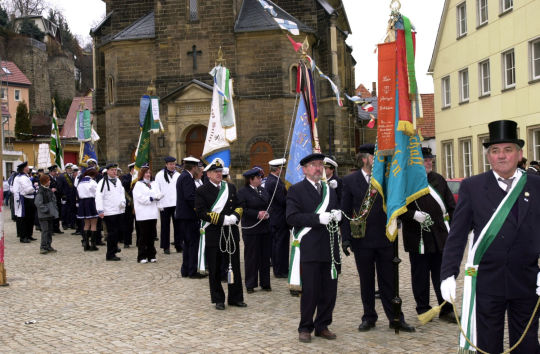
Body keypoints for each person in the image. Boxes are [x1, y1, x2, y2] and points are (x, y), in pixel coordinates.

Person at [441, 120, 540, 353]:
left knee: (527, 346)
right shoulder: (472, 186)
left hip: (526, 280)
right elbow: (457, 235)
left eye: (508, 149)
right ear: (488, 156)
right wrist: (448, 273)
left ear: (519, 154)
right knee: (487, 346)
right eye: (495, 151)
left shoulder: (536, 185)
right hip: (487, 282)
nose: (502, 156)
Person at [340, 144, 415, 333]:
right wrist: (346, 238)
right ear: (365, 159)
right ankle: (369, 317)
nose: (380, 161)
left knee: (389, 281)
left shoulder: (388, 180)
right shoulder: (349, 181)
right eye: (376, 157)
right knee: (366, 281)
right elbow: (345, 211)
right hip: (362, 240)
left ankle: (396, 318)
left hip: (385, 239)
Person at [286, 153, 341, 343]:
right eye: (313, 165)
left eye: (320, 165)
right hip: (309, 248)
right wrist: (317, 218)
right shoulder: (296, 190)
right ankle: (305, 327)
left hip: (330, 247)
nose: (318, 168)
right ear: (304, 169)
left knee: (329, 291)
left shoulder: (330, 190)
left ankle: (322, 325)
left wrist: (338, 216)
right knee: (310, 291)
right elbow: (291, 218)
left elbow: (336, 210)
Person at [399, 147, 456, 323]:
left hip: (439, 235)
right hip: (418, 236)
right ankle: (423, 309)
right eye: (425, 160)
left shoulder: (438, 179)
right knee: (420, 275)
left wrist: (454, 228)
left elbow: (451, 205)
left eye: (430, 159)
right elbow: (398, 207)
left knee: (442, 274)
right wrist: (412, 215)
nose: (429, 162)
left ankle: (446, 309)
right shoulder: (407, 183)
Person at [195, 158, 246, 310]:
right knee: (215, 267)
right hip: (214, 232)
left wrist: (235, 217)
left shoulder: (229, 187)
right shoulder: (201, 190)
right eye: (215, 172)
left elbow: (239, 205)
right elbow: (201, 213)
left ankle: (235, 298)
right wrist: (222, 219)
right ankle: (218, 299)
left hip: (230, 231)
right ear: (208, 174)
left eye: (220, 171)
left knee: (234, 266)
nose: (219, 174)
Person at [238, 167, 271, 293]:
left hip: (265, 229)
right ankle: (250, 284)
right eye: (258, 178)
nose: (260, 179)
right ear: (251, 180)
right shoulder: (242, 192)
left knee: (265, 257)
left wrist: (267, 213)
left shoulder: (263, 190)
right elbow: (243, 209)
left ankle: (265, 282)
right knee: (252, 257)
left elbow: (270, 204)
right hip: (251, 229)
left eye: (260, 177)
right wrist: (257, 214)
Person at [175, 156, 205, 278]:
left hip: (184, 216)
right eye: (197, 167)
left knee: (188, 244)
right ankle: (192, 271)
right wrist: (200, 208)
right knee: (192, 244)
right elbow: (190, 197)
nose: (199, 169)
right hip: (188, 216)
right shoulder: (187, 177)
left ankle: (186, 270)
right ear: (193, 167)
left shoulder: (184, 176)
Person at [132, 165, 163, 264]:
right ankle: (141, 256)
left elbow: (157, 193)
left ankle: (151, 255)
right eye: (146, 173)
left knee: (151, 235)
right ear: (142, 174)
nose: (148, 175)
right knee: (143, 236)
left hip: (152, 213)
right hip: (143, 214)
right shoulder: (138, 185)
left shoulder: (154, 184)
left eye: (149, 173)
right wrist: (151, 198)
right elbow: (140, 198)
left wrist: (157, 197)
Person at [265, 158, 289, 279]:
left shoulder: (271, 180)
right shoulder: (275, 182)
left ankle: (281, 268)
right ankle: (280, 270)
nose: (283, 171)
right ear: (278, 169)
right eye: (282, 169)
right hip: (279, 217)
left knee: (277, 244)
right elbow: (282, 200)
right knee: (280, 245)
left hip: (275, 217)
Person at [96, 163, 126, 261]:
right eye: (112, 170)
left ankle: (114, 248)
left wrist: (123, 202)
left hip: (118, 210)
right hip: (109, 211)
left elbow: (122, 192)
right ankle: (110, 254)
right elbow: (99, 196)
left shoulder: (118, 181)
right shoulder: (102, 182)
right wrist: (100, 210)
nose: (114, 172)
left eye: (115, 170)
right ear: (107, 171)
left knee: (117, 232)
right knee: (112, 233)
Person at [155, 156, 182, 254]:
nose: (172, 166)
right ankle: (165, 246)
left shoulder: (178, 175)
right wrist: (158, 202)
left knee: (178, 226)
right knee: (165, 226)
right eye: (170, 164)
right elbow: (156, 188)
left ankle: (179, 245)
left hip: (176, 203)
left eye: (174, 164)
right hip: (164, 203)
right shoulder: (159, 175)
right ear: (166, 165)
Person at [12, 162, 37, 243]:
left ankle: (29, 235)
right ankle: (23, 236)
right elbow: (27, 190)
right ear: (24, 168)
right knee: (24, 219)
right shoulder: (22, 178)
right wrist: (34, 187)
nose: (28, 168)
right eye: (27, 167)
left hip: (28, 198)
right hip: (25, 199)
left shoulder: (24, 177)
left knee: (30, 218)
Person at [34, 174, 59, 254]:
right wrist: (46, 209)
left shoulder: (48, 190)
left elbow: (53, 200)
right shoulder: (41, 191)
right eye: (48, 180)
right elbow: (38, 203)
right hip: (44, 215)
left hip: (50, 214)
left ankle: (48, 245)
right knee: (45, 231)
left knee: (49, 231)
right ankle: (43, 246)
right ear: (45, 182)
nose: (50, 181)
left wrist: (54, 209)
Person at [77, 167, 100, 251]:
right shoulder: (93, 182)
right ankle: (93, 245)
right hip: (91, 201)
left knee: (86, 224)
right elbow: (97, 192)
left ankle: (86, 245)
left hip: (82, 202)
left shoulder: (81, 182)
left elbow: (78, 193)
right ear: (93, 175)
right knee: (94, 223)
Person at [120, 162, 136, 248]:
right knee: (128, 224)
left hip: (138, 203)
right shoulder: (125, 177)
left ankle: (139, 242)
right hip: (129, 203)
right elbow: (124, 185)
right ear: (131, 169)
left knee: (139, 224)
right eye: (135, 169)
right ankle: (127, 242)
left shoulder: (139, 178)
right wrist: (133, 178)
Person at [47, 165, 64, 234]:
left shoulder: (57, 178)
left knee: (57, 213)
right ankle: (51, 229)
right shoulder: (47, 178)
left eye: (56, 171)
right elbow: (43, 187)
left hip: (57, 198)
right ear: (50, 172)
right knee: (52, 214)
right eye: (54, 171)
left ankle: (57, 228)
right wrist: (50, 189)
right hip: (51, 198)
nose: (55, 172)